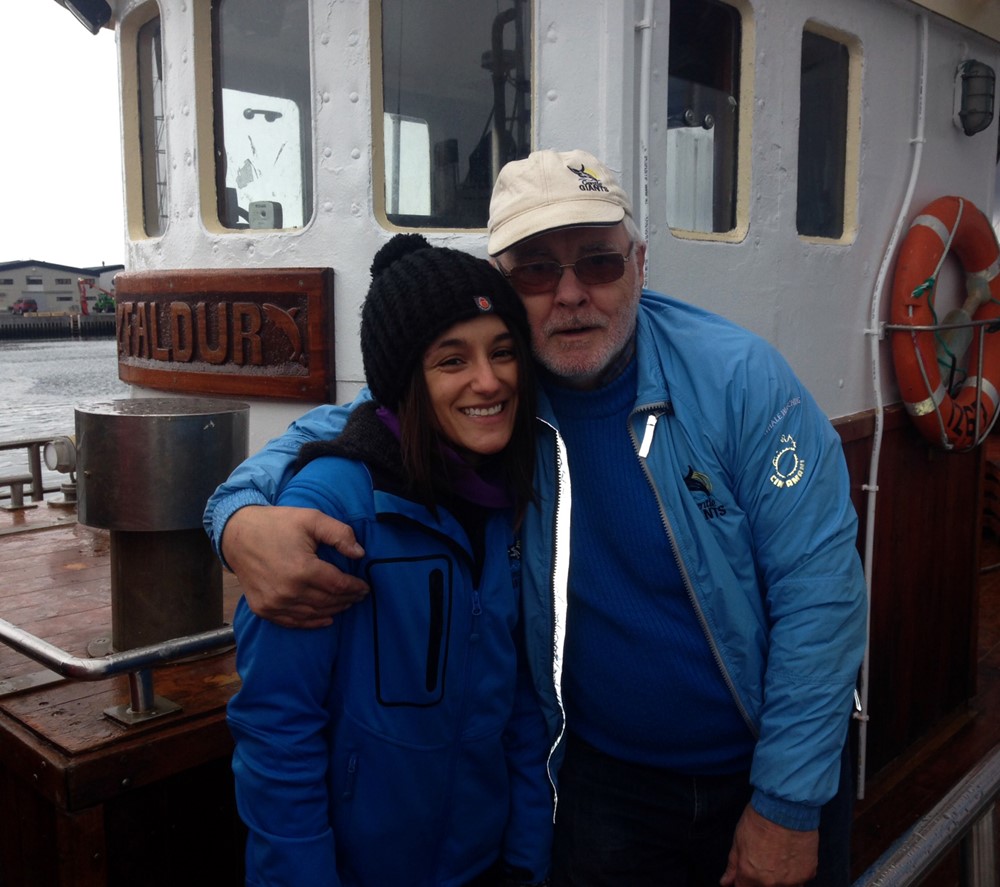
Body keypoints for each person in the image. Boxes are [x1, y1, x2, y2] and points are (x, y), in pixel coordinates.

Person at [207, 150, 868, 887]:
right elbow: (356, 422)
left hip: (764, 767)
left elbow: (822, 592)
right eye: (535, 271)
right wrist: (237, 518)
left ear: (640, 264)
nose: (571, 293)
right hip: (602, 783)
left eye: (599, 263)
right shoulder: (508, 396)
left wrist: (786, 804)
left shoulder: (741, 381)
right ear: (505, 287)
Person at [225, 233, 553, 887]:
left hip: (481, 862)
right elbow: (278, 728)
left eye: (504, 352)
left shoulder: (499, 497)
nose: (489, 380)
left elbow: (516, 700)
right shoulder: (333, 507)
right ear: (406, 380)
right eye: (452, 359)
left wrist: (527, 851)